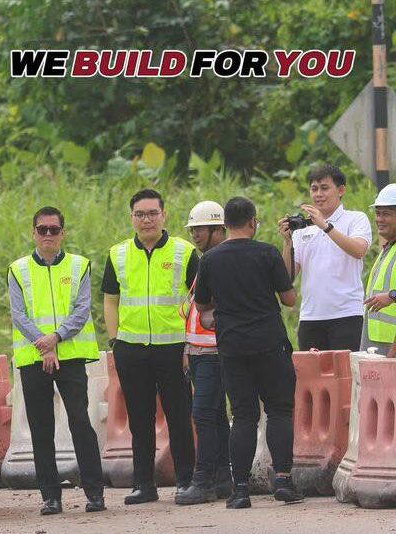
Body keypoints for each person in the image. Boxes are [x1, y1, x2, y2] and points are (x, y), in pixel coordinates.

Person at [194, 196, 303, 508]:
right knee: (279, 410)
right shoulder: (267, 253)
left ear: (225, 224)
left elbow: (202, 305)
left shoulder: (211, 260)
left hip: (232, 347)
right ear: (253, 222)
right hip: (270, 343)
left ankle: (239, 489)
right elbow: (289, 300)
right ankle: (282, 479)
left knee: (243, 415)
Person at [7, 206, 106, 515]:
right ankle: (50, 496)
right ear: (33, 232)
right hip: (35, 357)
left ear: (63, 233)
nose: (47, 234)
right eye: (42, 229)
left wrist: (56, 338)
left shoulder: (80, 266)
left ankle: (95, 493)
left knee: (80, 422)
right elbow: (18, 314)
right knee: (41, 427)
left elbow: (82, 308)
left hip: (71, 355)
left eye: (53, 229)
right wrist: (44, 345)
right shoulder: (18, 269)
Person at [102, 188, 198, 504]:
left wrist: (189, 346)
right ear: (132, 218)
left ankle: (186, 480)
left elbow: (197, 301)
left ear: (164, 215)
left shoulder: (185, 252)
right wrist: (116, 341)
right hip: (131, 348)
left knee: (179, 415)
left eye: (152, 213)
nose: (147, 220)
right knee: (139, 418)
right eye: (140, 214)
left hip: (174, 348)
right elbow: (111, 301)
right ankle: (144, 484)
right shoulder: (117, 254)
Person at [279, 163, 373, 351]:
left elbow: (358, 250)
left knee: (346, 378)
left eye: (324, 188)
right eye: (314, 189)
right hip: (311, 317)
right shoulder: (302, 228)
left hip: (347, 315)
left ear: (341, 190)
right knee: (314, 379)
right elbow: (287, 277)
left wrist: (325, 226)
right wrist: (287, 242)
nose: (318, 194)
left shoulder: (355, 219)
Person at [176, 201, 233, 505]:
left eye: (200, 229)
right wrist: (188, 349)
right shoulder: (207, 261)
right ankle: (223, 477)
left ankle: (203, 481)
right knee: (216, 417)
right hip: (200, 351)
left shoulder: (219, 262)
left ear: (218, 229)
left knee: (203, 415)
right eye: (193, 229)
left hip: (213, 352)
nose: (195, 235)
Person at [361, 184, 396, 357]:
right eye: (378, 213)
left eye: (386, 214)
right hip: (375, 343)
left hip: (391, 347)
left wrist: (391, 296)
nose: (379, 219)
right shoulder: (388, 249)